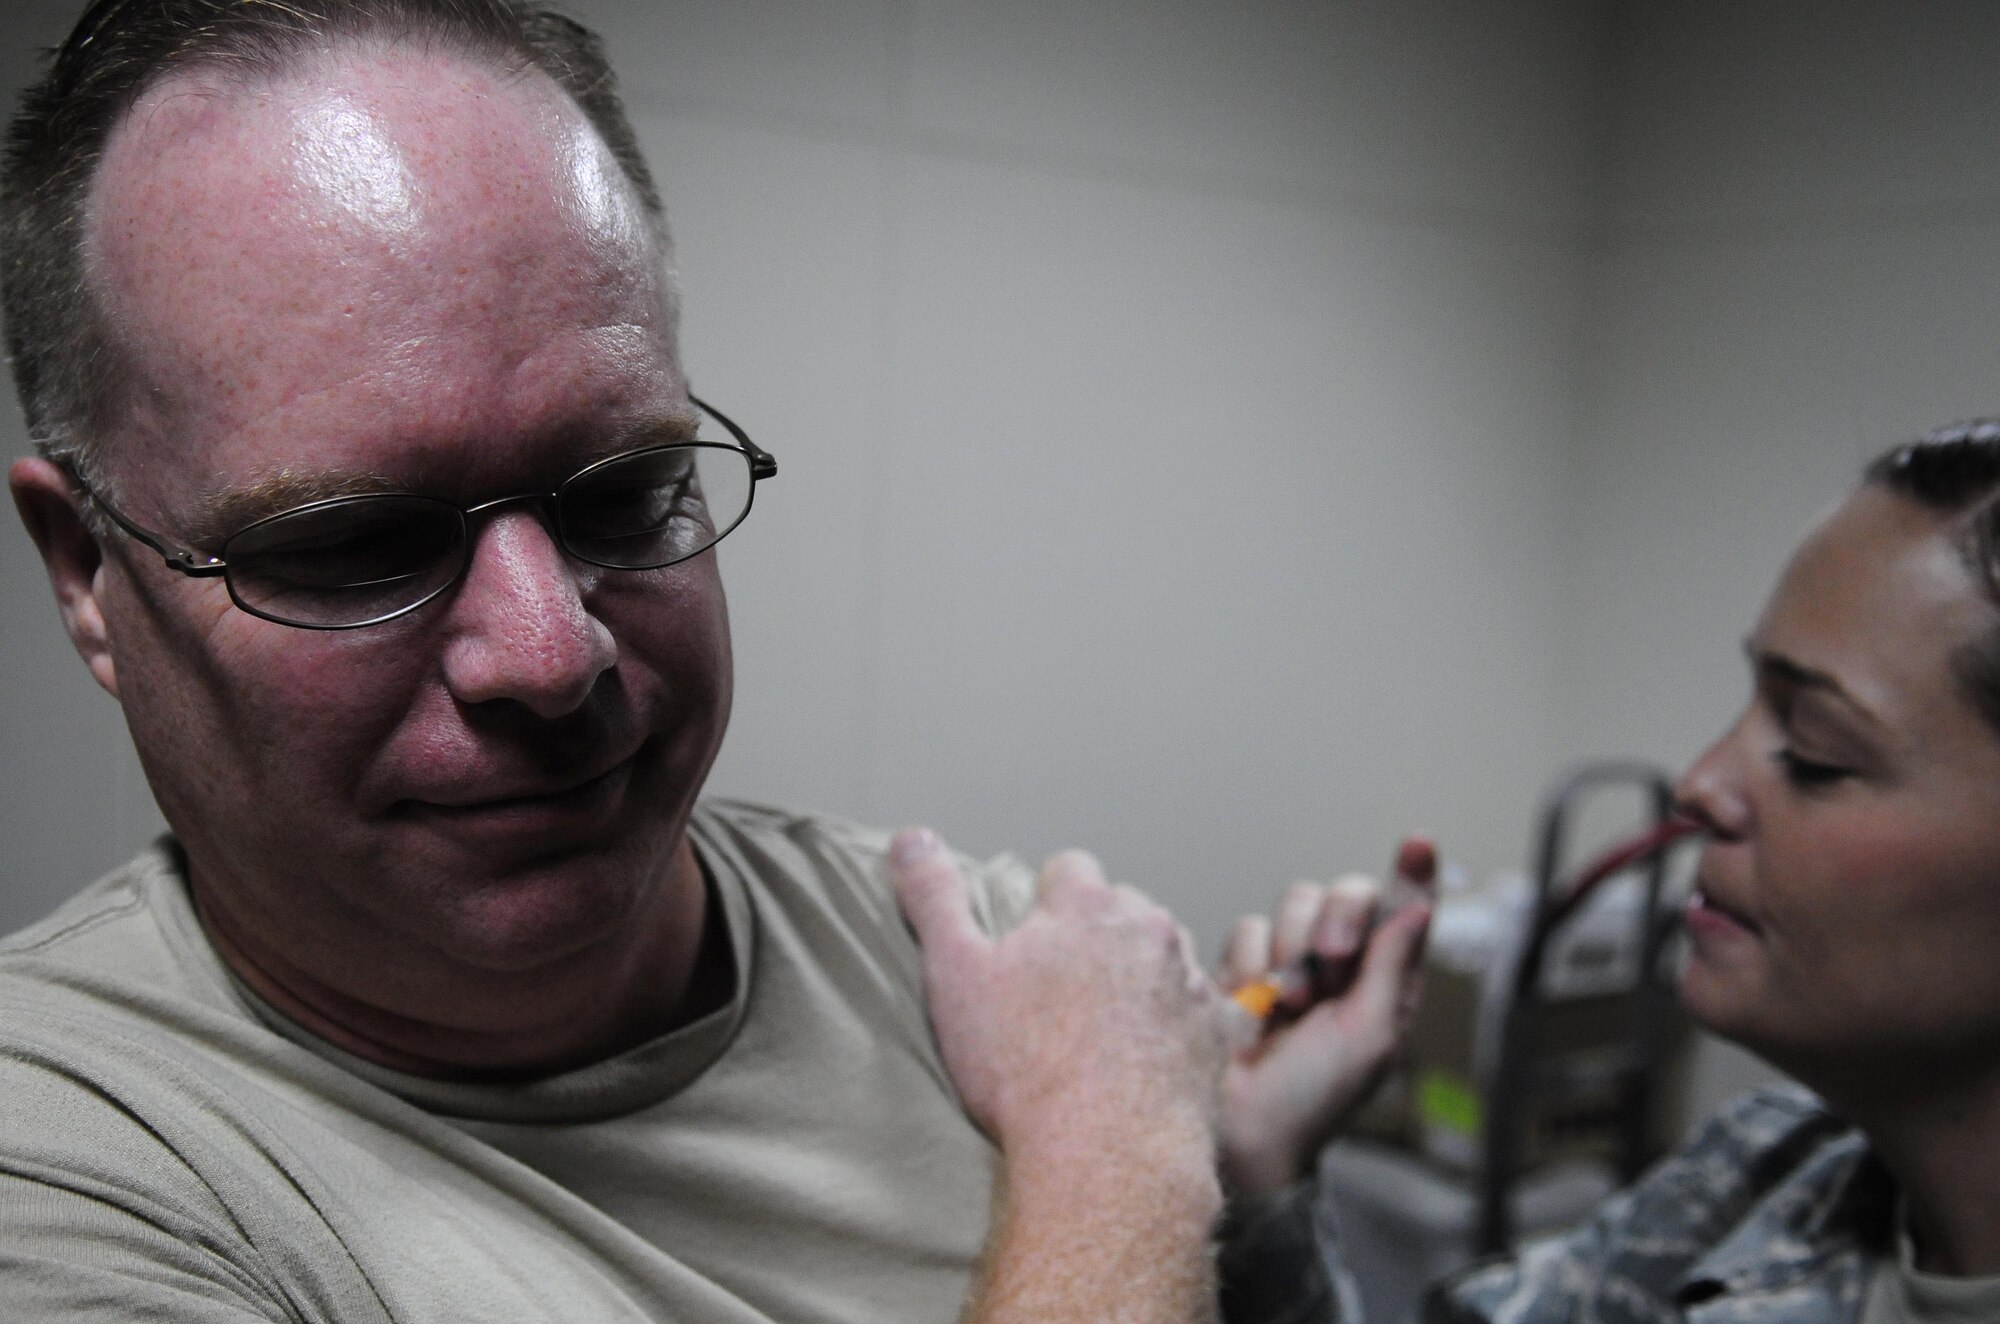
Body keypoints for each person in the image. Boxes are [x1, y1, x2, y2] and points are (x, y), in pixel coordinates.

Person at [0, 1, 1435, 1320]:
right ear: (88, 578)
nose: (553, 656)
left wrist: (1234, 1179)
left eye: (623, 492)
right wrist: (1117, 1153)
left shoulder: (1003, 967)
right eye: (354, 545)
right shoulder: (61, 1165)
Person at [909, 422, 2000, 1323]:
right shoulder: (1768, 1175)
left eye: (1813, 749)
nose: (1702, 783)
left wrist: (1100, 1152)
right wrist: (1258, 1164)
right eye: (1747, 706)